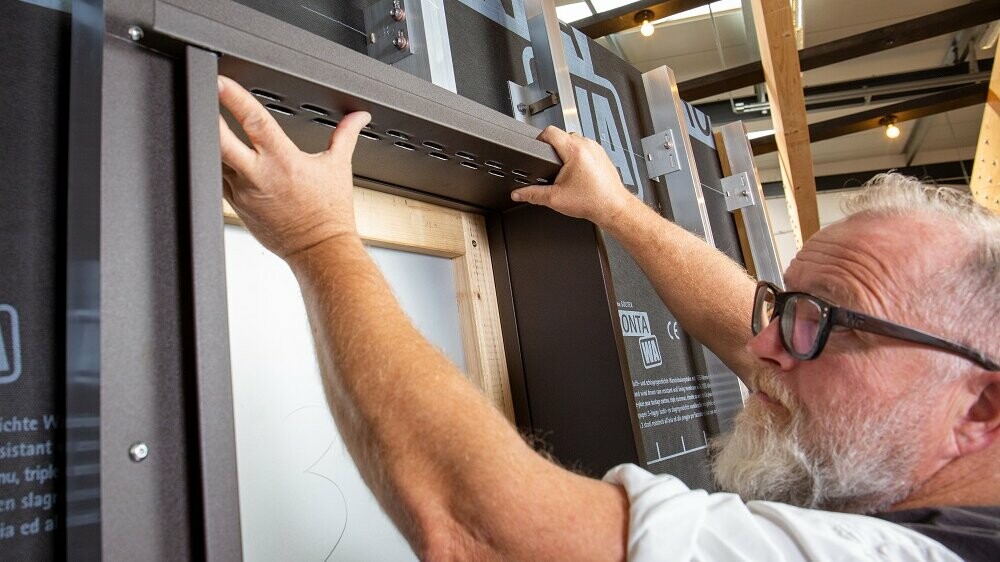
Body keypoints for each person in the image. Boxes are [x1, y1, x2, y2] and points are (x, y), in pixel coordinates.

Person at [217, 75, 1000, 561]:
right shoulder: (905, 437)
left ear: (982, 405)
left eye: (821, 326)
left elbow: (482, 531)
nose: (764, 345)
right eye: (786, 309)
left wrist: (318, 238)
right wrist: (618, 209)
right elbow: (753, 325)